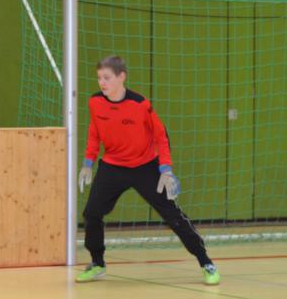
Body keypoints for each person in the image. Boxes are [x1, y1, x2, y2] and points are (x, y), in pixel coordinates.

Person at [77, 55, 220, 285]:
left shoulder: (140, 104)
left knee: (173, 216)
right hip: (112, 166)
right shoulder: (95, 102)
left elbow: (161, 136)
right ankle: (97, 263)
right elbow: (94, 132)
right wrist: (88, 162)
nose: (102, 83)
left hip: (145, 166)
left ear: (121, 77)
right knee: (92, 213)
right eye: (99, 78)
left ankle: (206, 262)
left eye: (107, 78)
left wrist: (166, 169)